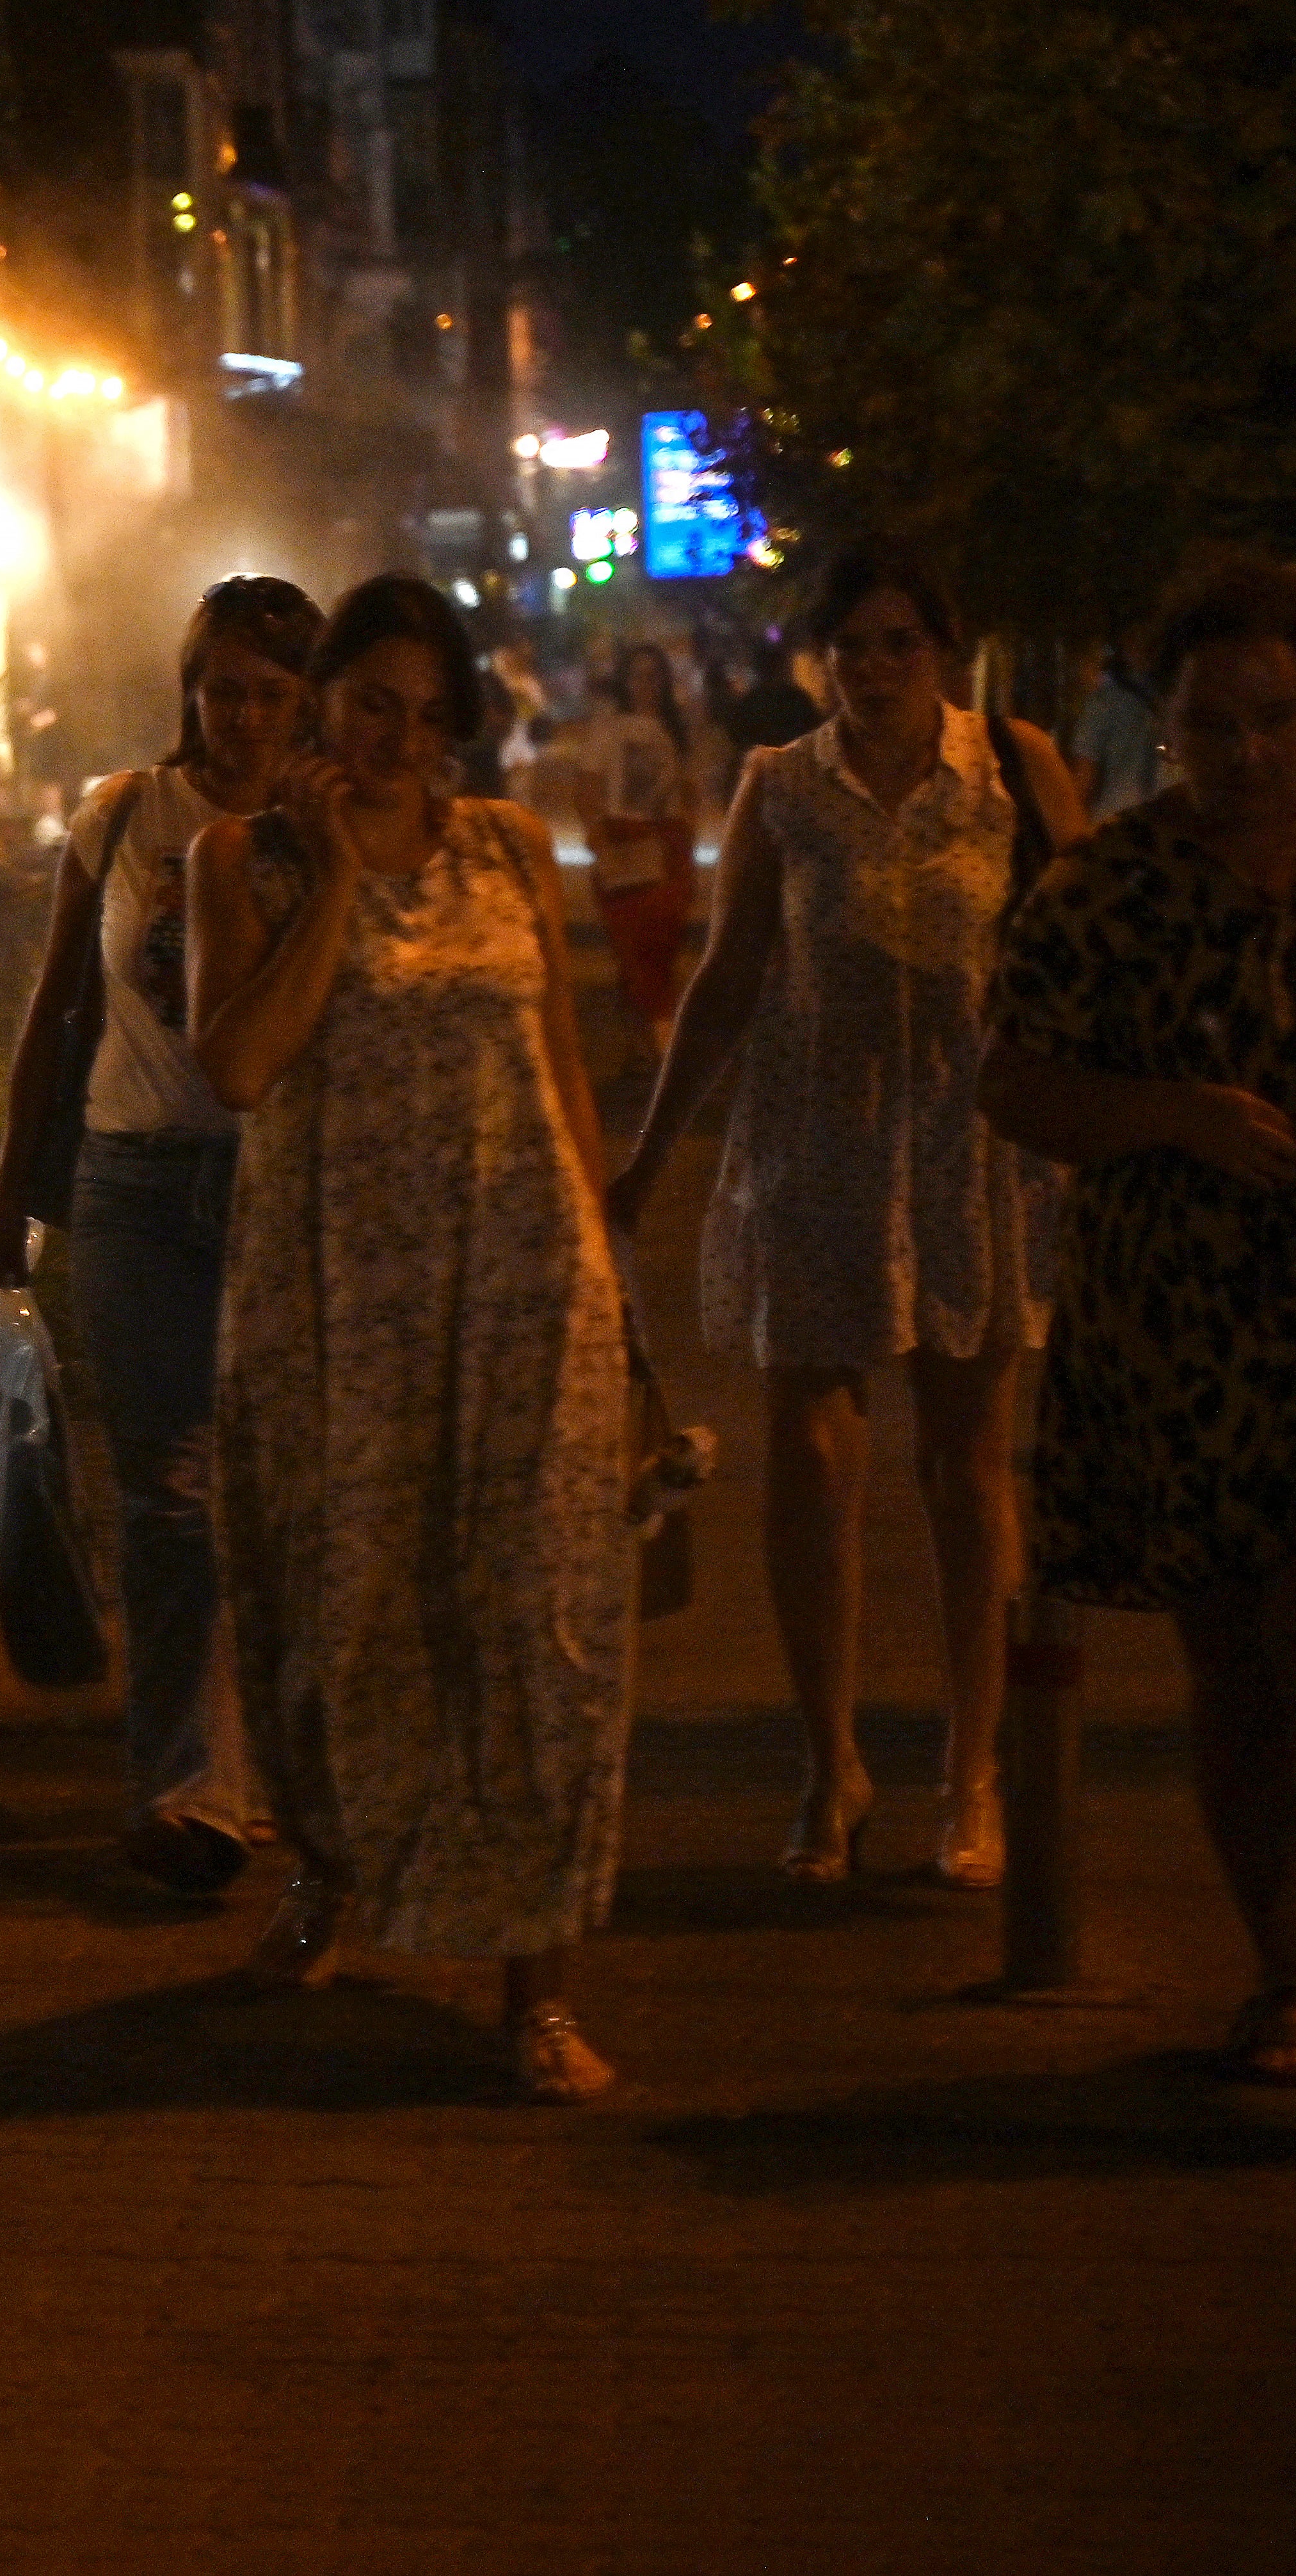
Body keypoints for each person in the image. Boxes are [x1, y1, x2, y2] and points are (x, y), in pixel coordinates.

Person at [188, 575, 632, 2104]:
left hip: (523, 1282)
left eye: (429, 716)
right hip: (339, 1303)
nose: (397, 739)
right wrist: (330, 887)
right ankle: (330, 1870)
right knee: (339, 1610)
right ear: (318, 696)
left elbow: (561, 1063)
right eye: (371, 699)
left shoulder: (506, 848)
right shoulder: (241, 856)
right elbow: (241, 1064)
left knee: (537, 1621)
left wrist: (613, 1297)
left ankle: (540, 1987)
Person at [605, 547, 1091, 1891]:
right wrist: (645, 1160)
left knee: (965, 1462)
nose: (874, 670)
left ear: (944, 650)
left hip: (966, 1140)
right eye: (852, 647)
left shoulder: (1013, 764)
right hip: (814, 1137)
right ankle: (831, 1768)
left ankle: (973, 1769)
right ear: (821, 657)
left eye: (899, 644)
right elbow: (728, 975)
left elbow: (1097, 932)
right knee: (813, 1460)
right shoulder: (783, 784)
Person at [980, 559, 1296, 2082]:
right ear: (1162, 726)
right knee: (1238, 1656)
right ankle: (1284, 1966)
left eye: (1277, 720)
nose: (1249, 754)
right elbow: (1014, 1078)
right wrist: (1166, 1112)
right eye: (1216, 725)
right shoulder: (1106, 883)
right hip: (1191, 1328)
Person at [0, 574, 323, 1897]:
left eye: (269, 693)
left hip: (281, 1184)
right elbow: (57, 1013)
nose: (240, 715)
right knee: (167, 1496)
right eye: (220, 686)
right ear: (189, 689)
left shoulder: (325, 831)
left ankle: (291, 1776)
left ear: (306, 704)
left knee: (284, 1486)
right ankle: (187, 1788)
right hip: (133, 1182)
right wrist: (12, 1195)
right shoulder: (124, 814)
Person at [576, 641, 706, 1056]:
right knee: (634, 945)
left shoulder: (675, 729)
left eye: (654, 676)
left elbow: (689, 790)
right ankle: (662, 1038)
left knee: (660, 947)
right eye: (637, 675)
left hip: (668, 849)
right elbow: (588, 787)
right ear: (624, 681)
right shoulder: (609, 729)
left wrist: (686, 830)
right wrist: (597, 833)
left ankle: (640, 1039)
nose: (645, 685)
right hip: (623, 843)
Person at [1066, 634, 1167, 820]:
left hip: (1117, 821)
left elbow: (1083, 781)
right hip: (1151, 823)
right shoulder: (1170, 700)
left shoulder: (1102, 704)